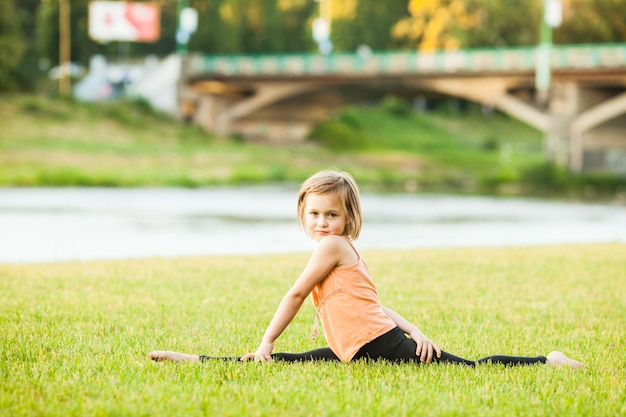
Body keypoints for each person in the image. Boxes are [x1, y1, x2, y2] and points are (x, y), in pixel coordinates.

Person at [149, 170, 583, 369]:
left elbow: (296, 295)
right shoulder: (338, 248)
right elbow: (373, 303)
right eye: (314, 214)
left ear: (347, 218)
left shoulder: (334, 247)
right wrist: (416, 330)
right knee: (292, 362)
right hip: (357, 346)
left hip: (377, 342)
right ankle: (196, 359)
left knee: (468, 368)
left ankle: (548, 362)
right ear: (303, 213)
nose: (322, 223)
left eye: (331, 215)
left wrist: (265, 338)